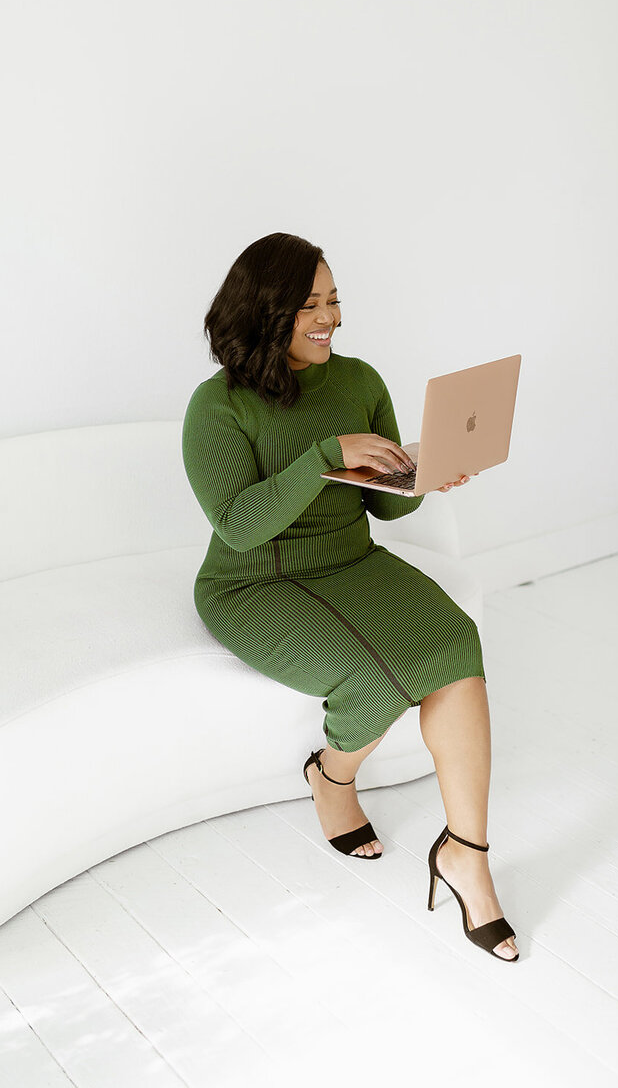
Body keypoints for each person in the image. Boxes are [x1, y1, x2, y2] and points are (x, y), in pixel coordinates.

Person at [182, 233, 519, 962]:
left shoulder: (360, 378)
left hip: (350, 560)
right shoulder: (218, 407)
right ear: (264, 311)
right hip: (253, 582)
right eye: (310, 304)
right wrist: (327, 454)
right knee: (377, 672)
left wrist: (424, 478)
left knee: (455, 644)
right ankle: (331, 778)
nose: (330, 316)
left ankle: (467, 852)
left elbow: (385, 509)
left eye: (334, 299)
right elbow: (238, 527)